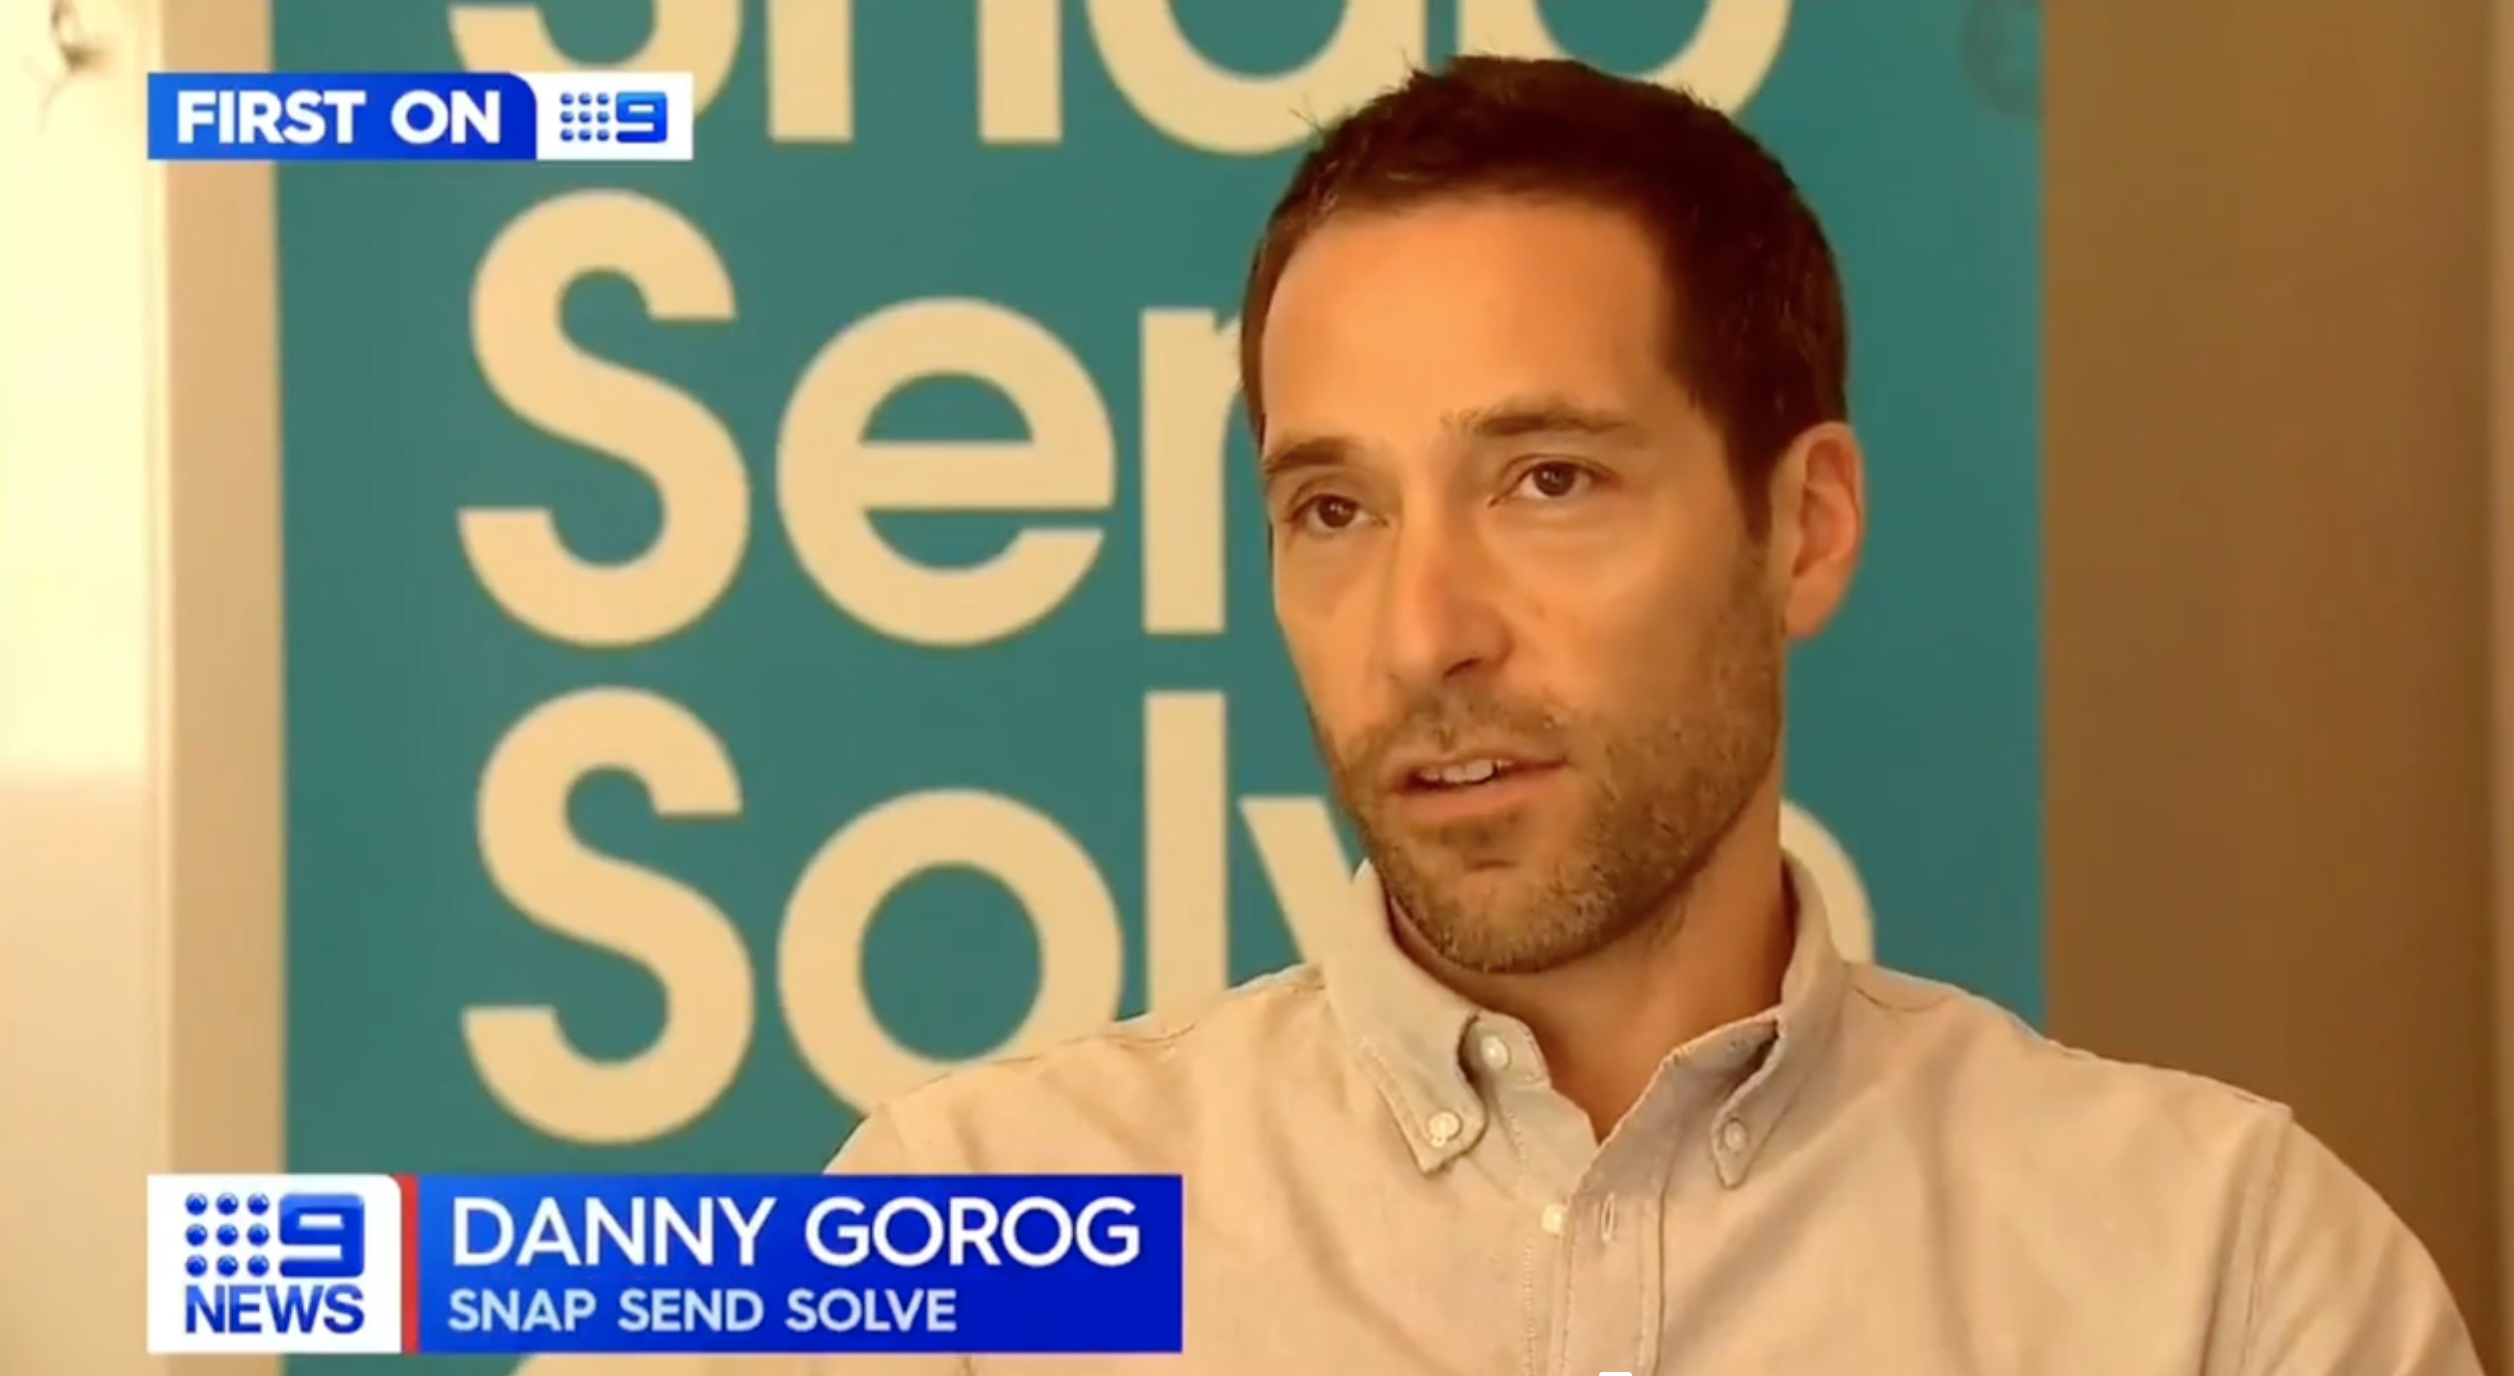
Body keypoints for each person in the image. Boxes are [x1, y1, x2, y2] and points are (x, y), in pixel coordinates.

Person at [828, 55, 2480, 1374]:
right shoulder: (956, 1227)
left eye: (1547, 481)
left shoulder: (2219, 1277)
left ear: (1804, 528)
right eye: (1333, 509)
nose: (1422, 634)